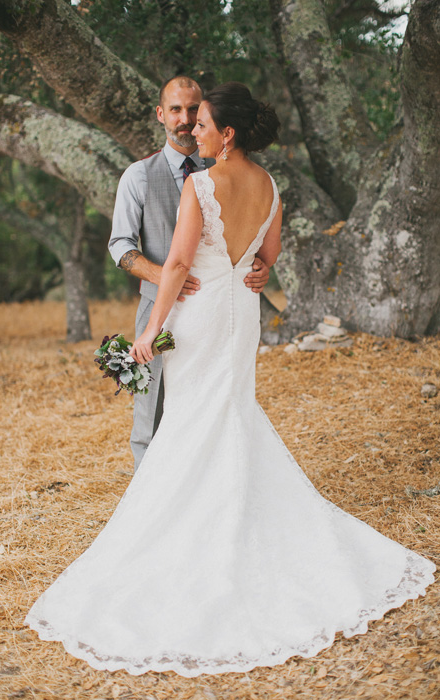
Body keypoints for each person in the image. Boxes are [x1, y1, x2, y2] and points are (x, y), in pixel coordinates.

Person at [26, 83, 435, 677]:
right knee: (228, 414)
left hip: (200, 316)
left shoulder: (200, 184)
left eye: (205, 122)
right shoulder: (270, 186)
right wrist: (258, 267)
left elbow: (178, 265)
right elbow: (265, 261)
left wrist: (148, 331)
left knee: (194, 419)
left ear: (227, 133)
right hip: (241, 316)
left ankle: (196, 534)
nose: (196, 129)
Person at [108, 75, 270, 471]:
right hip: (159, 309)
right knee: (151, 413)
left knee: (210, 407)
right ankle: (150, 498)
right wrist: (165, 276)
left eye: (194, 111)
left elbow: (253, 242)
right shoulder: (139, 175)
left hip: (214, 312)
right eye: (176, 110)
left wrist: (260, 267)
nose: (186, 119)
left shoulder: (223, 171)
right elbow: (120, 246)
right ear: (161, 114)